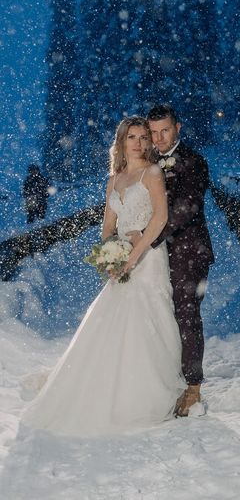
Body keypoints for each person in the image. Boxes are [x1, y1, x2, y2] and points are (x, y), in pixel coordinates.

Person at [22, 116, 185, 437]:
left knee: (148, 318)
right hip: (124, 257)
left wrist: (135, 255)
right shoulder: (115, 180)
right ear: (122, 143)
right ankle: (107, 386)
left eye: (142, 137)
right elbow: (108, 227)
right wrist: (112, 254)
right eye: (131, 137)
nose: (138, 143)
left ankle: (143, 393)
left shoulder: (153, 174)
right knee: (111, 319)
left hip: (149, 257)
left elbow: (161, 218)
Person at [145, 104, 214, 417]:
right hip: (154, 256)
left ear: (178, 128)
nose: (159, 138)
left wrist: (148, 239)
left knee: (186, 317)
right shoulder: (146, 162)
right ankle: (159, 381)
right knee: (155, 316)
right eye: (154, 132)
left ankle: (193, 386)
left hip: (188, 253)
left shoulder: (194, 162)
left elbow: (185, 209)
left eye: (165, 130)